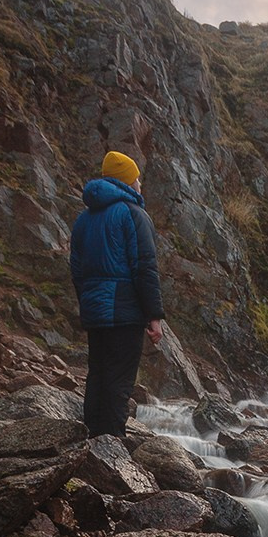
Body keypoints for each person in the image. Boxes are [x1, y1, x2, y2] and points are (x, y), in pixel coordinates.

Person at [69, 150, 165, 437]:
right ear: (127, 181)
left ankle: (91, 440)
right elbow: (144, 268)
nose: (140, 185)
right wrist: (154, 315)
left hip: (96, 311)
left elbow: (76, 269)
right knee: (119, 381)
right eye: (137, 179)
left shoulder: (84, 219)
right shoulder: (133, 214)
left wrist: (89, 303)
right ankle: (111, 446)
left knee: (97, 376)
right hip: (124, 312)